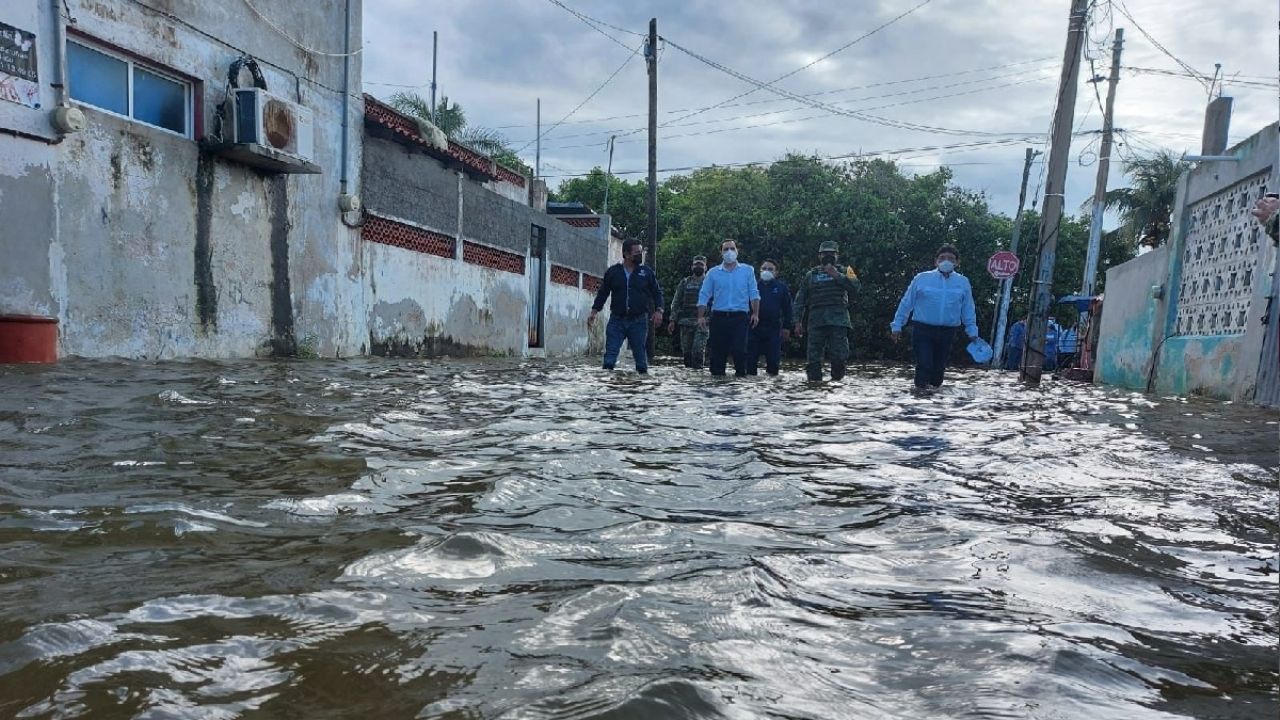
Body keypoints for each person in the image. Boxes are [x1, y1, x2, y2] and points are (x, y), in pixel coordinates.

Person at [890, 244, 979, 391]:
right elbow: (906, 303)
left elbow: (968, 309)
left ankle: (934, 405)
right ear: (935, 261)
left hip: (948, 332)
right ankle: (919, 400)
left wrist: (972, 332)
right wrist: (897, 326)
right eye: (942, 258)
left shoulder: (963, 282)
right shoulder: (922, 278)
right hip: (922, 329)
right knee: (925, 364)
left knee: (938, 371)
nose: (946, 261)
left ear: (957, 263)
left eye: (950, 258)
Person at [588, 238, 663, 373]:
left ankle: (641, 389)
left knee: (641, 362)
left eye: (641, 252)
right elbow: (603, 293)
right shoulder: (613, 272)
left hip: (639, 321)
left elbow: (657, 293)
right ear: (627, 254)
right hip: (617, 321)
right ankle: (607, 388)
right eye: (637, 253)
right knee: (609, 360)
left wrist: (659, 311)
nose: (640, 255)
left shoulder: (646, 273)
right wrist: (594, 312)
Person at [793, 241, 858, 381]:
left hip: (839, 321)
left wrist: (837, 275)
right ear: (819, 256)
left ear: (837, 255)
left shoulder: (846, 270)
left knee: (839, 357)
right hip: (816, 321)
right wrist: (797, 322)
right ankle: (815, 389)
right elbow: (800, 299)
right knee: (813, 360)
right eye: (825, 254)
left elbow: (856, 287)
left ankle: (838, 388)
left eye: (831, 253)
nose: (828, 256)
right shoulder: (811, 275)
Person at [697, 239, 760, 377]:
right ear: (721, 253)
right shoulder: (712, 273)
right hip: (719, 317)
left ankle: (741, 386)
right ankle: (718, 389)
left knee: (740, 351)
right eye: (726, 249)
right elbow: (704, 295)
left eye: (732, 248)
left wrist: (755, 313)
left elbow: (754, 293)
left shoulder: (747, 270)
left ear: (737, 251)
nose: (729, 252)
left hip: (740, 317)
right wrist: (700, 316)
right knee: (717, 355)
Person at [747, 259, 793, 376]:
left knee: (773, 365)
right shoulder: (752, 286)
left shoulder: (781, 287)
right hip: (753, 328)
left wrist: (787, 327)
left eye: (770, 269)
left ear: (776, 272)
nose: (766, 271)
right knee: (749, 364)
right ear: (759, 270)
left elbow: (788, 309)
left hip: (773, 329)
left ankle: (771, 390)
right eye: (764, 268)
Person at [666, 255, 710, 368]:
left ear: (705, 267)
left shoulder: (710, 283)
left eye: (701, 264)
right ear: (692, 267)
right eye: (696, 264)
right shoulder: (685, 283)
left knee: (698, 352)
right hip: (685, 323)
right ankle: (689, 381)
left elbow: (716, 302)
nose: (698, 266)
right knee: (687, 355)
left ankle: (698, 377)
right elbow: (676, 302)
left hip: (703, 323)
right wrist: (672, 320)